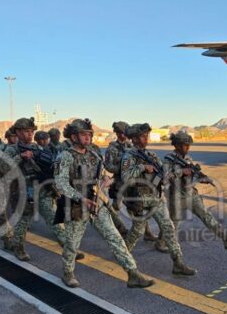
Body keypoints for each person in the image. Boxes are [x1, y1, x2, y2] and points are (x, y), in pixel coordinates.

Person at [54, 119, 154, 289]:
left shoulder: (93, 155)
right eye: (83, 134)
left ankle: (133, 273)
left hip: (95, 201)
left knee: (114, 237)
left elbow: (100, 175)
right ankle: (68, 272)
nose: (88, 137)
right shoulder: (65, 156)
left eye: (89, 134)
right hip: (76, 204)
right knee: (72, 243)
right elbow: (61, 183)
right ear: (73, 136)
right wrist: (81, 198)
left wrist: (106, 180)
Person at [121, 123, 196, 276]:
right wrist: (142, 168)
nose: (146, 138)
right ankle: (123, 253)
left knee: (168, 228)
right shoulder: (129, 156)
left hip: (155, 197)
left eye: (147, 135)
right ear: (134, 139)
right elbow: (125, 177)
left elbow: (165, 173)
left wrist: (182, 172)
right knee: (138, 230)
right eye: (143, 136)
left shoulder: (151, 155)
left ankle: (178, 263)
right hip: (139, 199)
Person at [164, 131, 227, 249]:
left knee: (206, 216)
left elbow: (192, 175)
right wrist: (181, 172)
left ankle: (226, 238)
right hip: (176, 197)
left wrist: (202, 178)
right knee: (173, 224)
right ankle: (163, 243)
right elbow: (165, 177)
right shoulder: (168, 159)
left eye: (188, 145)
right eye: (185, 145)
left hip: (191, 194)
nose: (188, 148)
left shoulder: (187, 158)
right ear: (177, 145)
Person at [4, 117, 69, 261]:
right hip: (23, 192)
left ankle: (68, 248)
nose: (30, 134)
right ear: (18, 132)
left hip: (43, 189)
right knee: (23, 222)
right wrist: (21, 157)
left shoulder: (37, 148)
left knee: (54, 219)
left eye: (31, 131)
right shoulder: (11, 150)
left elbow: (49, 166)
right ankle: (19, 248)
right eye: (26, 131)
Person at [103, 121, 131, 235]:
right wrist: (121, 168)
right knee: (116, 207)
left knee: (137, 207)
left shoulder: (130, 146)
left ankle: (147, 232)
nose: (123, 135)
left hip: (131, 181)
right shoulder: (112, 148)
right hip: (119, 182)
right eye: (120, 133)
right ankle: (112, 225)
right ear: (117, 133)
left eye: (125, 133)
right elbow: (108, 166)